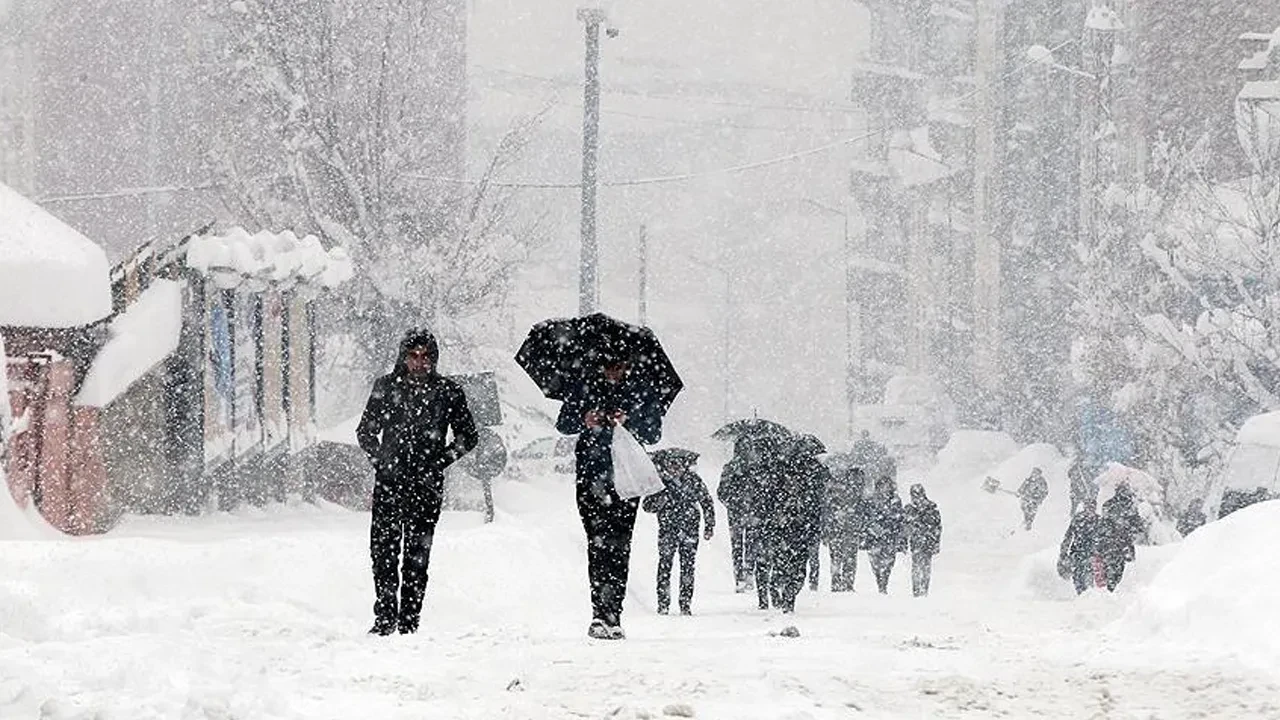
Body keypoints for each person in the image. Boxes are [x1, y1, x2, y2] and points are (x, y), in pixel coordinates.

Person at [357, 329, 479, 636]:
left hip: (426, 485)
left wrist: (440, 461)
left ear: (434, 358)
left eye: (426, 356)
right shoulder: (386, 387)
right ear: (403, 357)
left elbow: (468, 436)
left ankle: (409, 621)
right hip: (389, 483)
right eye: (413, 355)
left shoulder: (448, 392)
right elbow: (365, 431)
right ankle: (385, 617)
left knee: (417, 557)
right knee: (383, 553)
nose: (420, 362)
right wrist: (381, 461)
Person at [555, 345, 663, 640]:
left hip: (626, 479)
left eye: (620, 365)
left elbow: (654, 432)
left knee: (619, 546)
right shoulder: (584, 386)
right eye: (609, 365)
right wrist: (585, 419)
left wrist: (629, 421)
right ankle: (599, 613)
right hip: (591, 476)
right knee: (598, 544)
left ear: (628, 364)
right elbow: (563, 423)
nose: (614, 371)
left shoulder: (641, 389)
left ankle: (613, 613)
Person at [754, 435, 823, 613]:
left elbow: (816, 506)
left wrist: (813, 527)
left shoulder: (813, 476)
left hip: (801, 529)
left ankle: (787, 594)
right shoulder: (778, 472)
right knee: (782, 565)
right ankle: (783, 595)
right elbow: (765, 501)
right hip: (781, 529)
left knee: (798, 569)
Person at [642, 452, 715, 615]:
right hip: (667, 530)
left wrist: (709, 525)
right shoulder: (659, 482)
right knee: (665, 566)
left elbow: (706, 502)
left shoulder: (694, 480)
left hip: (690, 529)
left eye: (678, 465)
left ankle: (685, 604)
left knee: (688, 567)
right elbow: (647, 506)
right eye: (671, 464)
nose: (675, 468)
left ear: (685, 466)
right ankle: (663, 604)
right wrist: (659, 501)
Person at [718, 436, 766, 593]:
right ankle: (746, 574)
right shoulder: (753, 468)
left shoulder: (733, 468)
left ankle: (742, 576)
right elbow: (722, 492)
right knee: (748, 545)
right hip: (746, 512)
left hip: (742, 512)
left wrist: (733, 503)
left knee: (740, 546)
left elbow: (722, 492)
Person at [823, 466, 870, 592]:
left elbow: (863, 514)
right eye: (855, 478)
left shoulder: (859, 497)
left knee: (848, 559)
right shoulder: (840, 493)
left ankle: (846, 583)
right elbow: (830, 510)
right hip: (839, 531)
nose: (857, 482)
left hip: (850, 531)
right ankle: (838, 583)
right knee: (838, 558)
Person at [864, 475, 905, 594]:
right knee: (875, 563)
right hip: (874, 537)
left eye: (887, 485)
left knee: (888, 562)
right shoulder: (871, 500)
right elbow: (866, 517)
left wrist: (891, 528)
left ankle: (884, 583)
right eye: (882, 486)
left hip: (890, 537)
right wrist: (873, 528)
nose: (885, 488)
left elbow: (899, 518)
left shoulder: (895, 500)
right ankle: (880, 581)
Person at [904, 484, 942, 597]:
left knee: (924, 567)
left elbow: (937, 527)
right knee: (918, 566)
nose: (916, 498)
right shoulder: (910, 509)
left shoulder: (931, 508)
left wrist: (936, 542)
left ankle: (923, 590)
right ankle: (917, 590)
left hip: (926, 541)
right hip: (917, 542)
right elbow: (904, 527)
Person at [1058, 499, 1100, 594]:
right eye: (1088, 507)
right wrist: (1063, 551)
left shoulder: (1098, 520)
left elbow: (1068, 536)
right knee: (1079, 575)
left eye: (1092, 507)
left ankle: (1087, 593)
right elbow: (1068, 536)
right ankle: (1081, 593)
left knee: (1088, 574)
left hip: (1090, 553)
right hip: (1078, 552)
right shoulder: (1079, 519)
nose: (1090, 510)